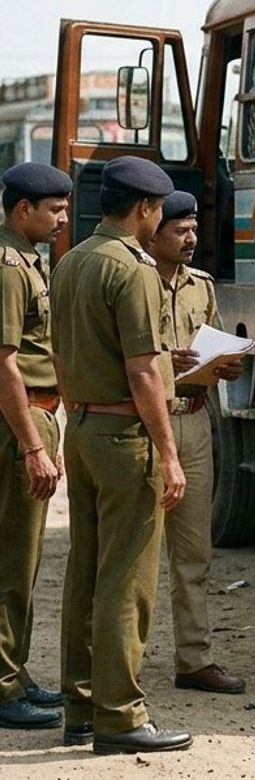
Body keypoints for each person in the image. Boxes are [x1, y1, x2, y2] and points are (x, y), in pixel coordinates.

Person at [50, 155, 192, 755]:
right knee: (125, 582)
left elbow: (60, 354)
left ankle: (81, 708)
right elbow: (143, 373)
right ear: (146, 210)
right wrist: (169, 452)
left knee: (84, 573)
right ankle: (119, 716)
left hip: (80, 428)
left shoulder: (72, 261)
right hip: (123, 437)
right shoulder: (132, 269)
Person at [144, 190, 246, 695]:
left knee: (194, 552)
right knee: (136, 552)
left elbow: (218, 346)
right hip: (145, 423)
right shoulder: (134, 280)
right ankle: (121, 663)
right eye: (178, 231)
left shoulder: (200, 287)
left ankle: (194, 660)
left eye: (192, 230)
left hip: (195, 422)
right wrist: (167, 363)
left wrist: (228, 364)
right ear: (153, 232)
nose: (190, 239)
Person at [0, 163, 72, 731]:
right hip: (17, 424)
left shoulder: (29, 260)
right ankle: (2, 687)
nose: (62, 219)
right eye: (53, 209)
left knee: (25, 561)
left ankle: (14, 672)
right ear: (22, 210)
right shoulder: (8, 267)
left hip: (37, 416)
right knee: (12, 559)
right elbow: (4, 364)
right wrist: (31, 446)